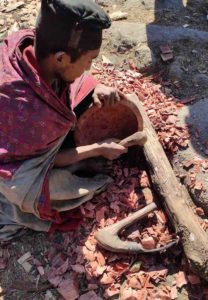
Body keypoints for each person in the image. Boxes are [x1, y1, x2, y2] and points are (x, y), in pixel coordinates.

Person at [0, 0, 128, 239]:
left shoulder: (32, 45)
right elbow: (46, 161)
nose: (90, 66)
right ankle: (77, 165)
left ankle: (77, 159)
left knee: (86, 91)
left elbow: (67, 80)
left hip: (33, 133)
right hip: (13, 169)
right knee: (50, 189)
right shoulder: (27, 110)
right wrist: (97, 149)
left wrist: (96, 85)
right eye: (89, 61)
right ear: (60, 58)